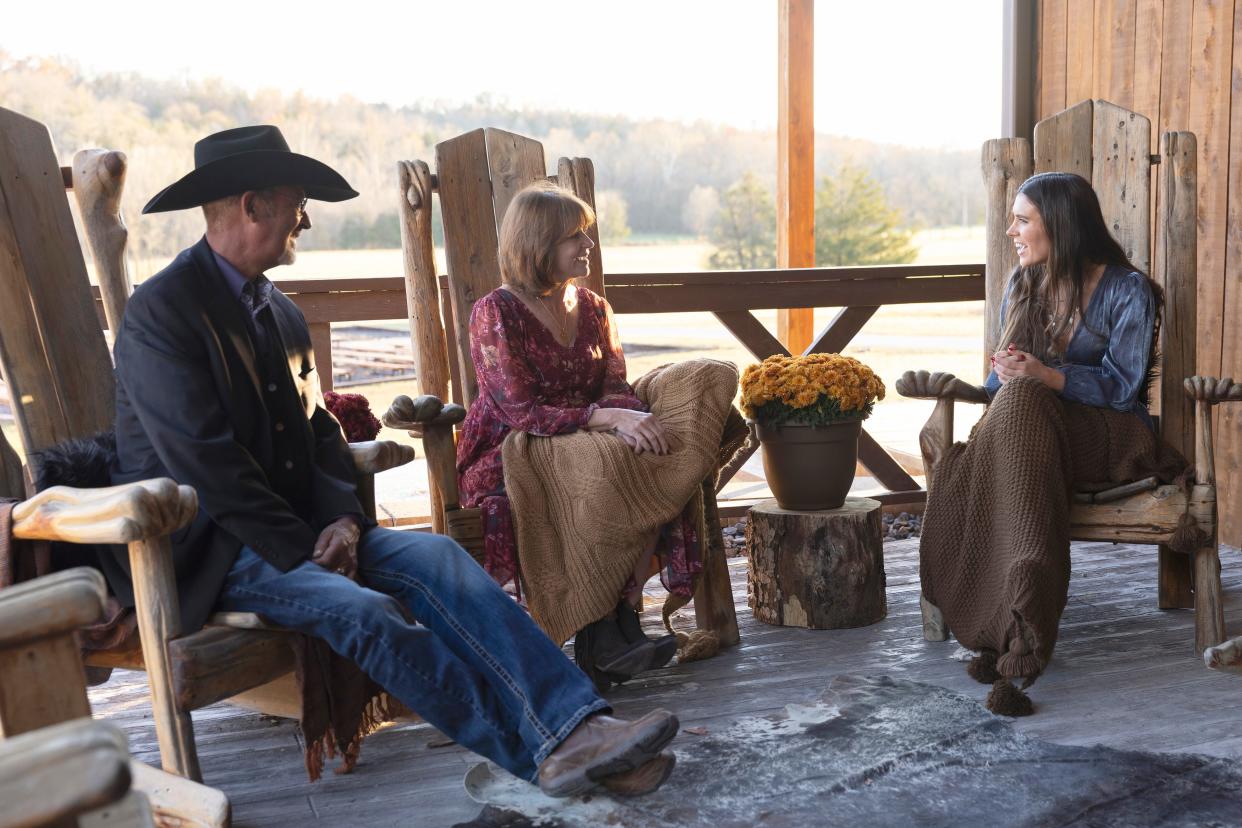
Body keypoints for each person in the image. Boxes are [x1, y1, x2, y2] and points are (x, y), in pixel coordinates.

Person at [106, 125, 678, 796]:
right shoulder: (163, 312)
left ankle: (578, 728)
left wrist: (346, 522)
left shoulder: (281, 315)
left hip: (309, 534)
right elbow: (206, 463)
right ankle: (547, 751)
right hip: (217, 551)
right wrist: (306, 541)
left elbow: (319, 436)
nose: (308, 220)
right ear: (252, 205)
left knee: (438, 559)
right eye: (297, 203)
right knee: (366, 612)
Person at [918, 172, 1191, 715]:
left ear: (1060, 227)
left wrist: (1045, 375)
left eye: (1023, 220)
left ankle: (1017, 637)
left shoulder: (1128, 291)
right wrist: (1005, 372)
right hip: (1035, 433)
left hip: (1109, 436)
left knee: (1022, 403)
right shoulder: (1024, 286)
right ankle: (1012, 629)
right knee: (1017, 404)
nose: (1011, 232)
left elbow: (1122, 388)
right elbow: (1002, 389)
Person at [456, 184, 739, 690]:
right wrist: (605, 420)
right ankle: (598, 632)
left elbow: (614, 385)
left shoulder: (593, 307)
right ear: (537, 243)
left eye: (586, 233)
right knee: (607, 467)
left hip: (588, 433)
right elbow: (520, 408)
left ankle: (620, 624)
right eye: (573, 236)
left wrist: (634, 419)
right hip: (514, 444)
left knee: (660, 461)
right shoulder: (495, 312)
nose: (587, 244)